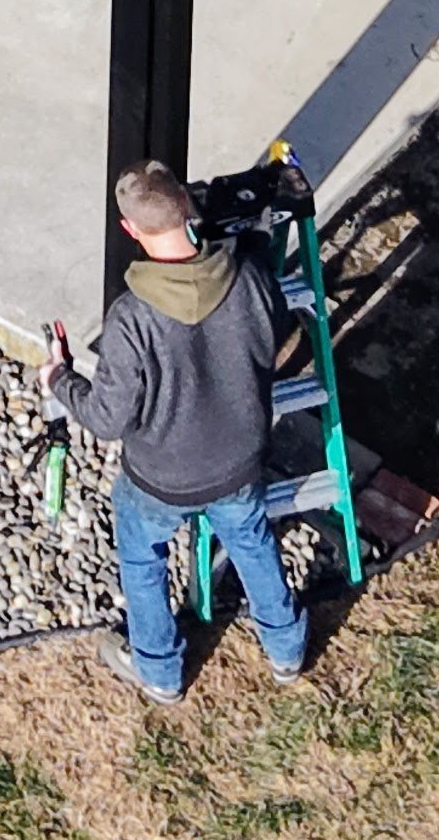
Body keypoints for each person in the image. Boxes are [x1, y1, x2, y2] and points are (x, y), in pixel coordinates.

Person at [42, 159, 309, 698]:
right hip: (239, 464)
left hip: (159, 480)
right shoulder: (249, 279)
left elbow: (105, 419)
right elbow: (277, 333)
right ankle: (286, 651)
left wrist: (58, 378)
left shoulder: (132, 319)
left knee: (143, 564)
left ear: (130, 230)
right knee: (253, 542)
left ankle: (161, 674)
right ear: (187, 208)